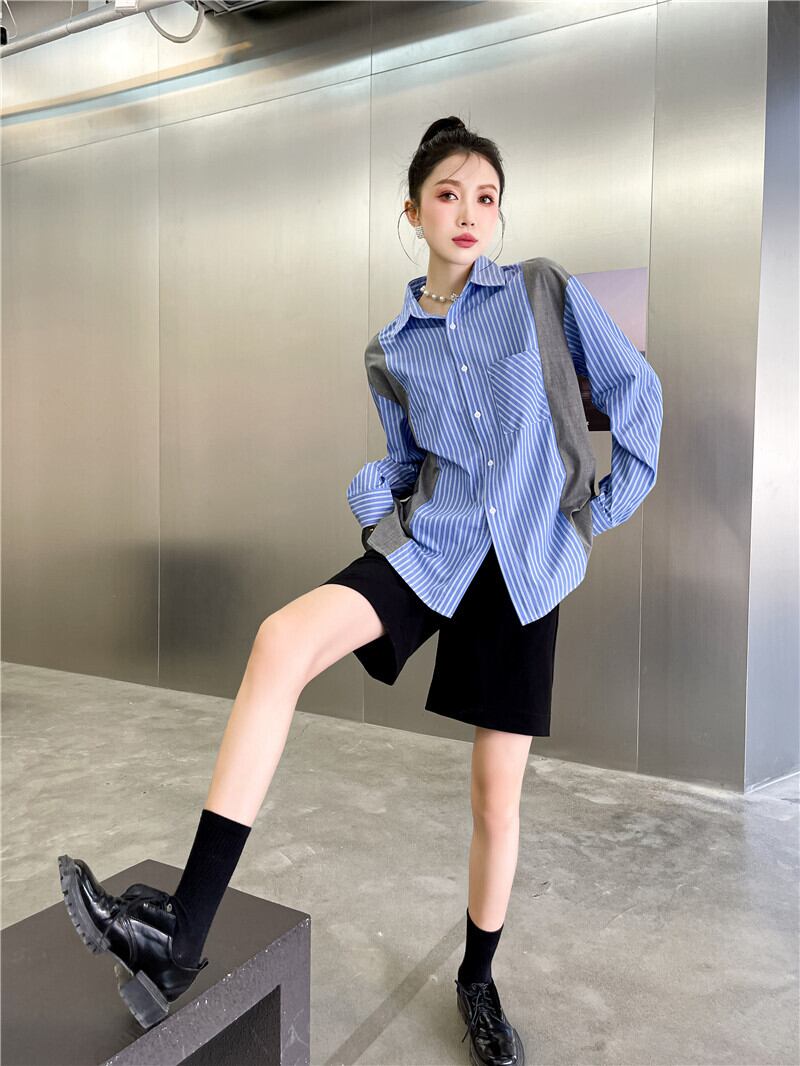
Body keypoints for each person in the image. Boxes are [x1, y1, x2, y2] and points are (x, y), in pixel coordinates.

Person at [58, 116, 663, 1064]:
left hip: (523, 569)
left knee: (494, 798)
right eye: (449, 195)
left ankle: (477, 982)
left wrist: (590, 515)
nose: (469, 212)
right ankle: (180, 934)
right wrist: (376, 489)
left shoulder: (541, 290)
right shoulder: (392, 347)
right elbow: (410, 465)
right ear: (413, 212)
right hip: (435, 547)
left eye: (486, 197)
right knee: (279, 641)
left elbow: (637, 393)